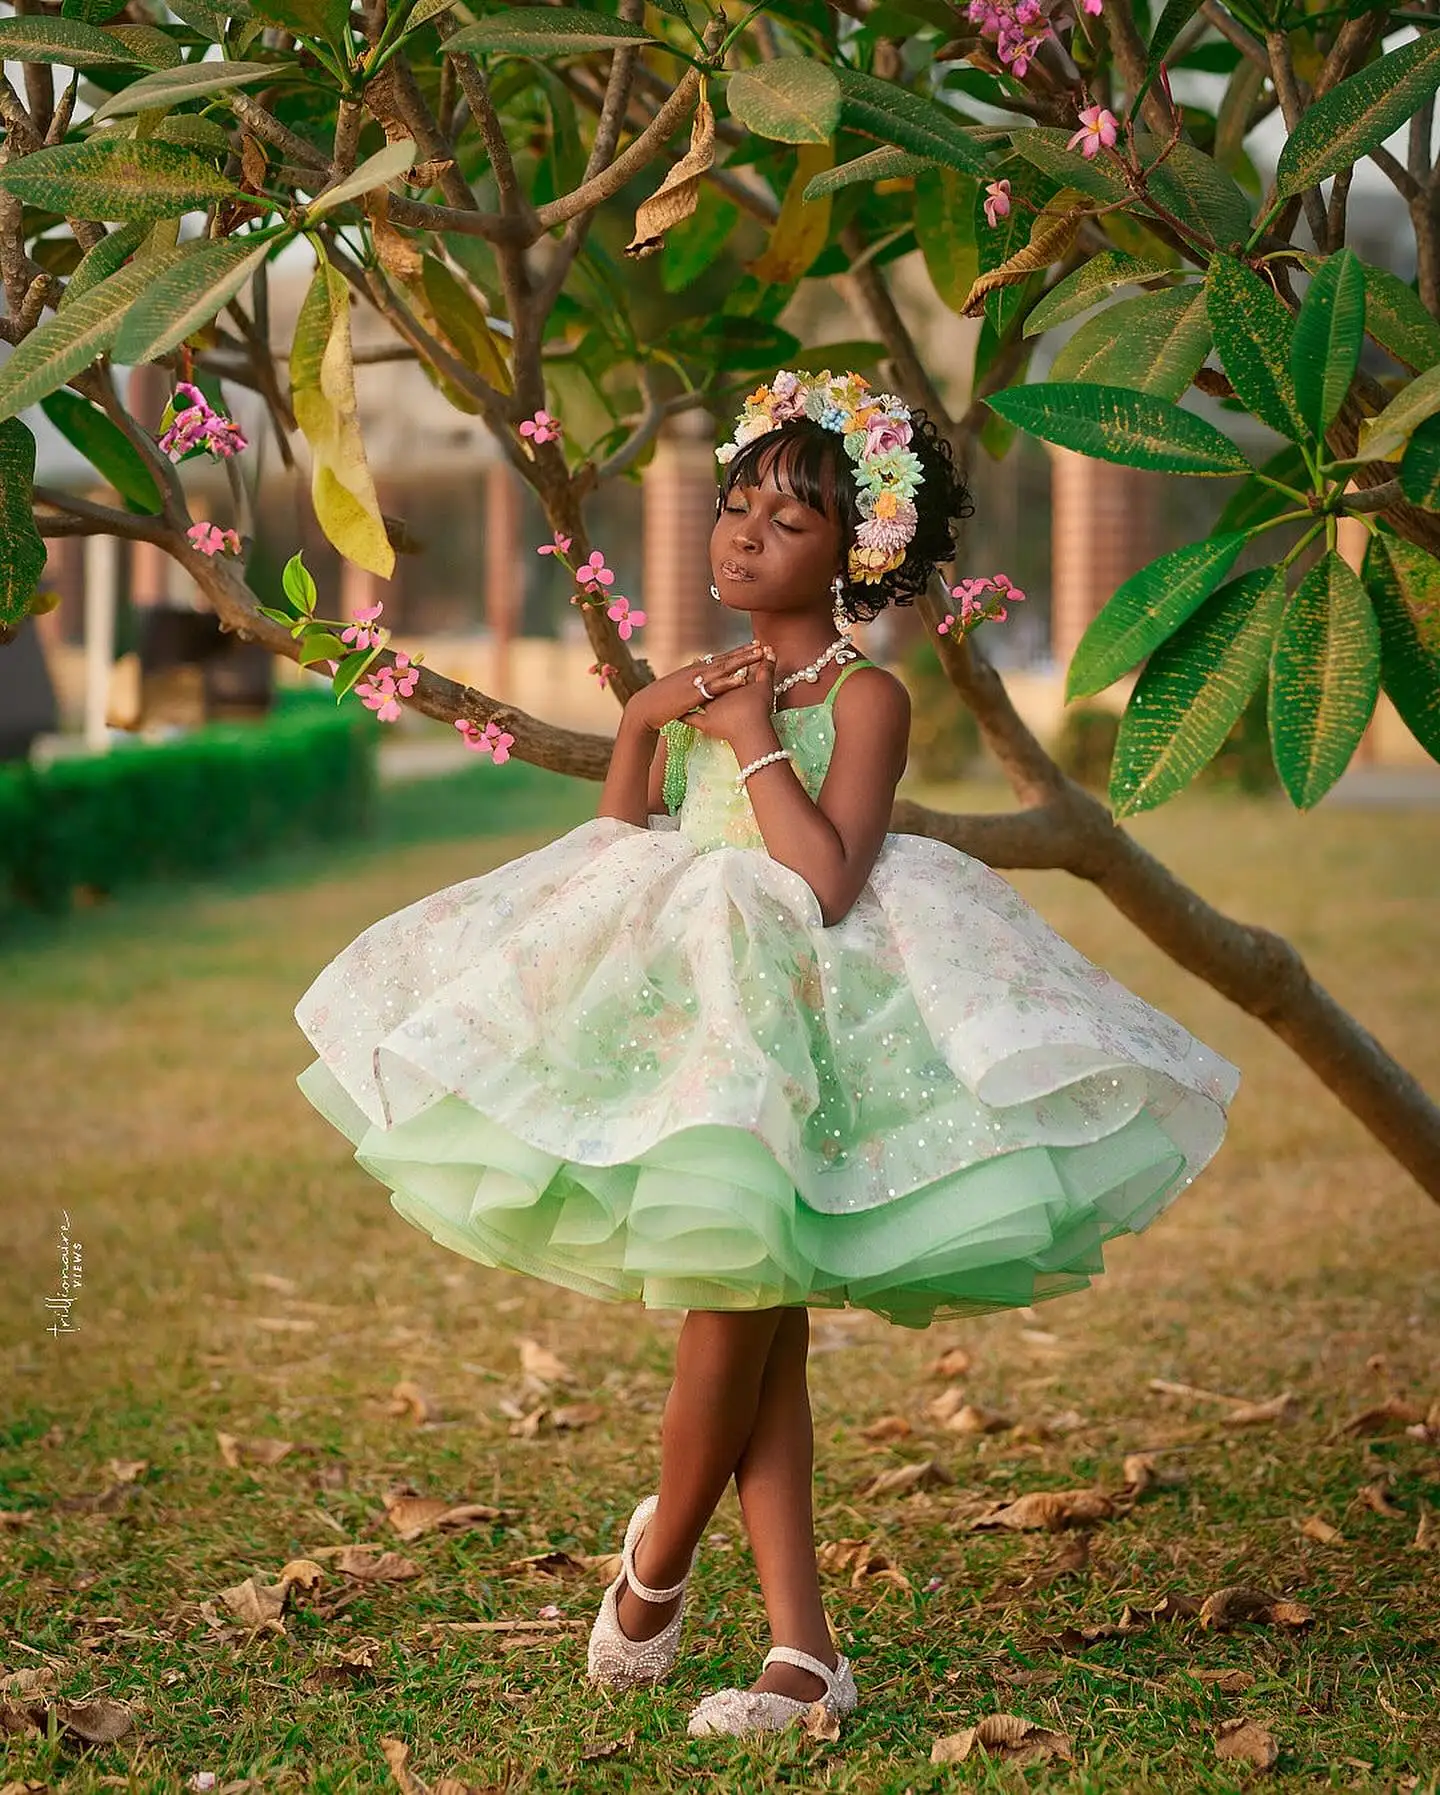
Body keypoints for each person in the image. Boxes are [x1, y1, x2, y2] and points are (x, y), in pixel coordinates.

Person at [294, 369, 1239, 1740]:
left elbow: (828, 876)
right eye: (736, 503)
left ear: (857, 554)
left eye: (787, 522)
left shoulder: (867, 698)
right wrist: (641, 726)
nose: (742, 533)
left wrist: (747, 743)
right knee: (759, 1322)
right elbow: (622, 850)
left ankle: (661, 1558)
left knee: (737, 1314)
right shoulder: (704, 682)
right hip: (701, 1023)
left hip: (805, 1013)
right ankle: (805, 1651)